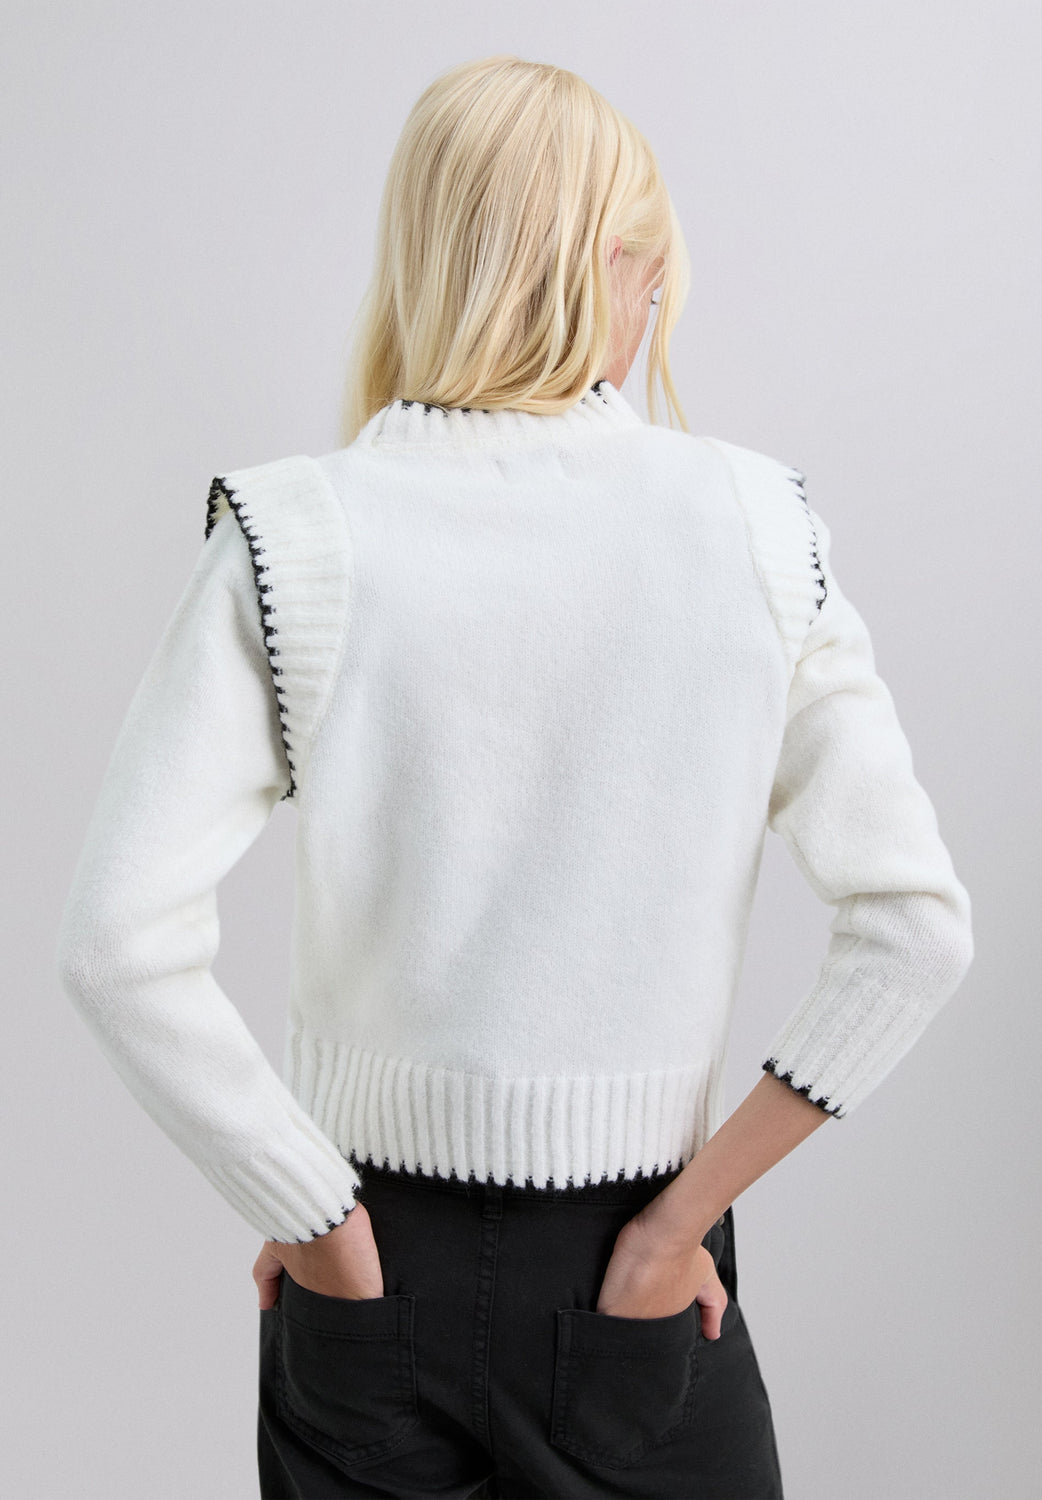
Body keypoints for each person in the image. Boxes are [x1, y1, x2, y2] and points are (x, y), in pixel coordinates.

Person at [55, 53, 974, 1500]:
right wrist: (675, 1229)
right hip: (632, 1273)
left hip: (367, 1272)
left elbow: (116, 944)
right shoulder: (754, 527)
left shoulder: (294, 536)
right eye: (651, 272)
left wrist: (312, 1213)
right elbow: (914, 927)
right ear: (621, 269)